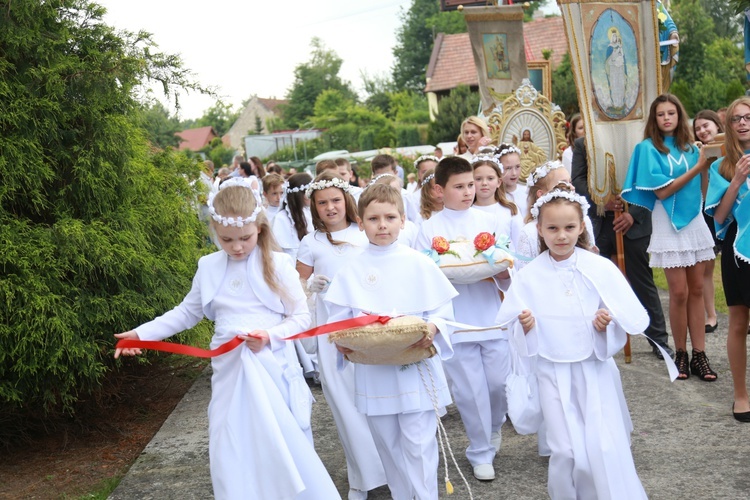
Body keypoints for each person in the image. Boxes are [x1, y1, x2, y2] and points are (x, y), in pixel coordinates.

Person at [113, 178, 338, 499]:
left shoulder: (278, 264)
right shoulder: (209, 267)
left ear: (259, 228)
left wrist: (269, 336)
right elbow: (185, 313)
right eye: (226, 239)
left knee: (284, 442)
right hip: (229, 372)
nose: (236, 247)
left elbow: (301, 318)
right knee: (232, 443)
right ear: (215, 232)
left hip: (272, 368)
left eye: (244, 238)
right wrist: (140, 334)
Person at [496, 186, 649, 500]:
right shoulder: (530, 276)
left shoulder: (598, 268)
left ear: (581, 227)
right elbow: (511, 327)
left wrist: (604, 325)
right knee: (565, 449)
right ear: (539, 229)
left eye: (569, 227)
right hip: (551, 371)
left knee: (601, 444)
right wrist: (526, 327)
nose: (561, 235)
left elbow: (623, 315)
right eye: (552, 228)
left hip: (593, 369)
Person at [324, 183, 459, 500]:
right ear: (360, 223)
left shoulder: (419, 263)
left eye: (389, 217)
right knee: (389, 446)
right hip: (375, 372)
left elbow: (443, 309)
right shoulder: (352, 269)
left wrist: (434, 328)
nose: (382, 225)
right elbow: (338, 320)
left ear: (402, 220)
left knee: (419, 444)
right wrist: (343, 342)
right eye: (373, 219)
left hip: (414, 366)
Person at [415, 156, 512, 482]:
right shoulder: (428, 228)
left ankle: (494, 426)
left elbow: (506, 266)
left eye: (471, 184)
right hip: (455, 322)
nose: (469, 191)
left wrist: (493, 274)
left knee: (498, 384)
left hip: (491, 316)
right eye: (460, 186)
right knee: (470, 391)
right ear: (440, 190)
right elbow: (424, 278)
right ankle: (480, 450)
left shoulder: (490, 220)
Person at [295, 171, 387, 498]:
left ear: (346, 201)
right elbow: (296, 289)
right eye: (323, 203)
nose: (330, 208)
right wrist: (310, 287)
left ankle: (390, 469)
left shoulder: (364, 234)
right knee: (345, 408)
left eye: (335, 200)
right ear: (314, 207)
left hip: (366, 328)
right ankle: (360, 479)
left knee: (374, 401)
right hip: (330, 334)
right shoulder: (310, 243)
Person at [622, 94, 716, 380]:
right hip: (665, 220)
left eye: (672, 113)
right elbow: (661, 192)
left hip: (694, 219)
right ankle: (681, 353)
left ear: (679, 116)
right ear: (655, 118)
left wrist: (705, 165)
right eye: (661, 114)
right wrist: (699, 166)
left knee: (697, 289)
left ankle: (700, 354)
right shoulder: (648, 148)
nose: (666, 118)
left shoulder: (692, 148)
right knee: (679, 292)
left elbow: (704, 188)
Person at [572, 136, 674, 359]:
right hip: (598, 221)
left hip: (632, 222)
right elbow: (578, 180)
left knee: (642, 280)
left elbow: (648, 181)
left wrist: (632, 214)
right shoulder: (583, 143)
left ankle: (658, 339)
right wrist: (601, 200)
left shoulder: (638, 137)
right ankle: (594, 338)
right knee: (594, 283)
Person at [705, 96, 750, 421]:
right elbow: (719, 216)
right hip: (739, 250)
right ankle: (740, 395)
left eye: (748, 117)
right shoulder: (723, 165)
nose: (743, 123)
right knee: (738, 323)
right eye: (736, 119)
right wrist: (737, 180)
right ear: (729, 126)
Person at [516, 161, 595, 268]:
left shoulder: (584, 220)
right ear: (541, 194)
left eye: (570, 182)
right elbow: (523, 271)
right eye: (563, 183)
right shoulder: (529, 232)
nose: (571, 187)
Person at [693, 109, 724, 333]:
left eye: (707, 125)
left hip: (733, 213)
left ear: (717, 125)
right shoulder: (696, 153)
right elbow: (704, 192)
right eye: (698, 128)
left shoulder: (730, 147)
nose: (703, 130)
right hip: (706, 215)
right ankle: (711, 315)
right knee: (707, 268)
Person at [471, 153, 523, 250]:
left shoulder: (510, 210)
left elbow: (519, 244)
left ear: (498, 182)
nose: (484, 183)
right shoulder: (467, 211)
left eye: (490, 178)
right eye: (478, 179)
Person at [272, 172, 313, 260]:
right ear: (300, 194)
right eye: (309, 192)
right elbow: (280, 250)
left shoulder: (310, 211)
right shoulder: (281, 218)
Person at [497, 144, 529, 220]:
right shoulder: (494, 196)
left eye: (517, 167)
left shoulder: (527, 192)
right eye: (508, 168)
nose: (514, 173)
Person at [406, 155, 440, 223]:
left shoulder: (446, 193)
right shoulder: (413, 198)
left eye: (434, 170)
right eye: (424, 172)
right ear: (418, 175)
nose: (429, 174)